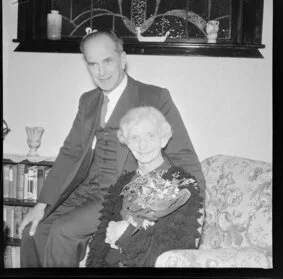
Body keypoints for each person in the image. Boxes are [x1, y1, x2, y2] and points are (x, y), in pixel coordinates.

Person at [19, 29, 205, 267]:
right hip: (84, 189)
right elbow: (71, 152)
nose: (101, 71)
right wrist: (41, 204)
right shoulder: (88, 101)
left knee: (63, 231)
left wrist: (198, 210)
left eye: (107, 61)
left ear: (123, 59)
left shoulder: (154, 96)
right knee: (32, 231)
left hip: (120, 195)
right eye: (93, 64)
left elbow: (182, 154)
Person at [86, 106, 204, 267]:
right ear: (126, 143)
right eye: (134, 137)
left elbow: (174, 250)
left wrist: (126, 233)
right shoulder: (123, 183)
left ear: (163, 139)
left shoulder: (183, 185)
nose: (143, 145)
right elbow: (101, 241)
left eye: (150, 136)